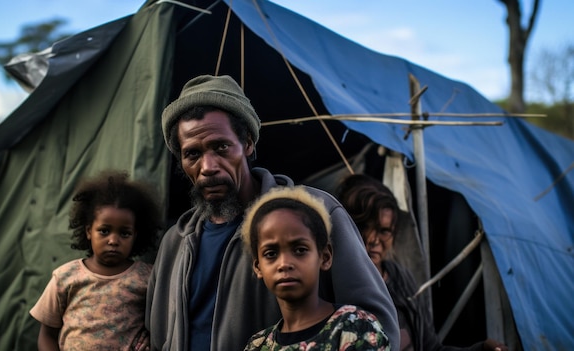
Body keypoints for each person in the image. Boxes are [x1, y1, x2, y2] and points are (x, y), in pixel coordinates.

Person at [145, 74, 400, 351]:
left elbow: (377, 328)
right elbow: (157, 337)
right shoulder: (175, 243)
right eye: (192, 154)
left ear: (248, 143)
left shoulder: (314, 213)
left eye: (221, 147)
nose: (208, 166)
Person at [336, 173, 508, 351]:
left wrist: (479, 350)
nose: (373, 239)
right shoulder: (332, 286)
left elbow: (430, 348)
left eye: (384, 231)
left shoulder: (400, 279)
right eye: (364, 226)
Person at [240, 186, 390, 351]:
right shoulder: (257, 345)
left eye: (300, 250)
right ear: (258, 267)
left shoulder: (354, 328)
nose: (284, 263)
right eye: (271, 254)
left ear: (325, 257)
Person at [30, 170, 161, 351]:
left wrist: (150, 337)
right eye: (104, 231)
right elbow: (47, 335)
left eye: (124, 233)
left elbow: (163, 324)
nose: (113, 241)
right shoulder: (65, 277)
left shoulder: (147, 277)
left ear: (135, 236)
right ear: (88, 231)